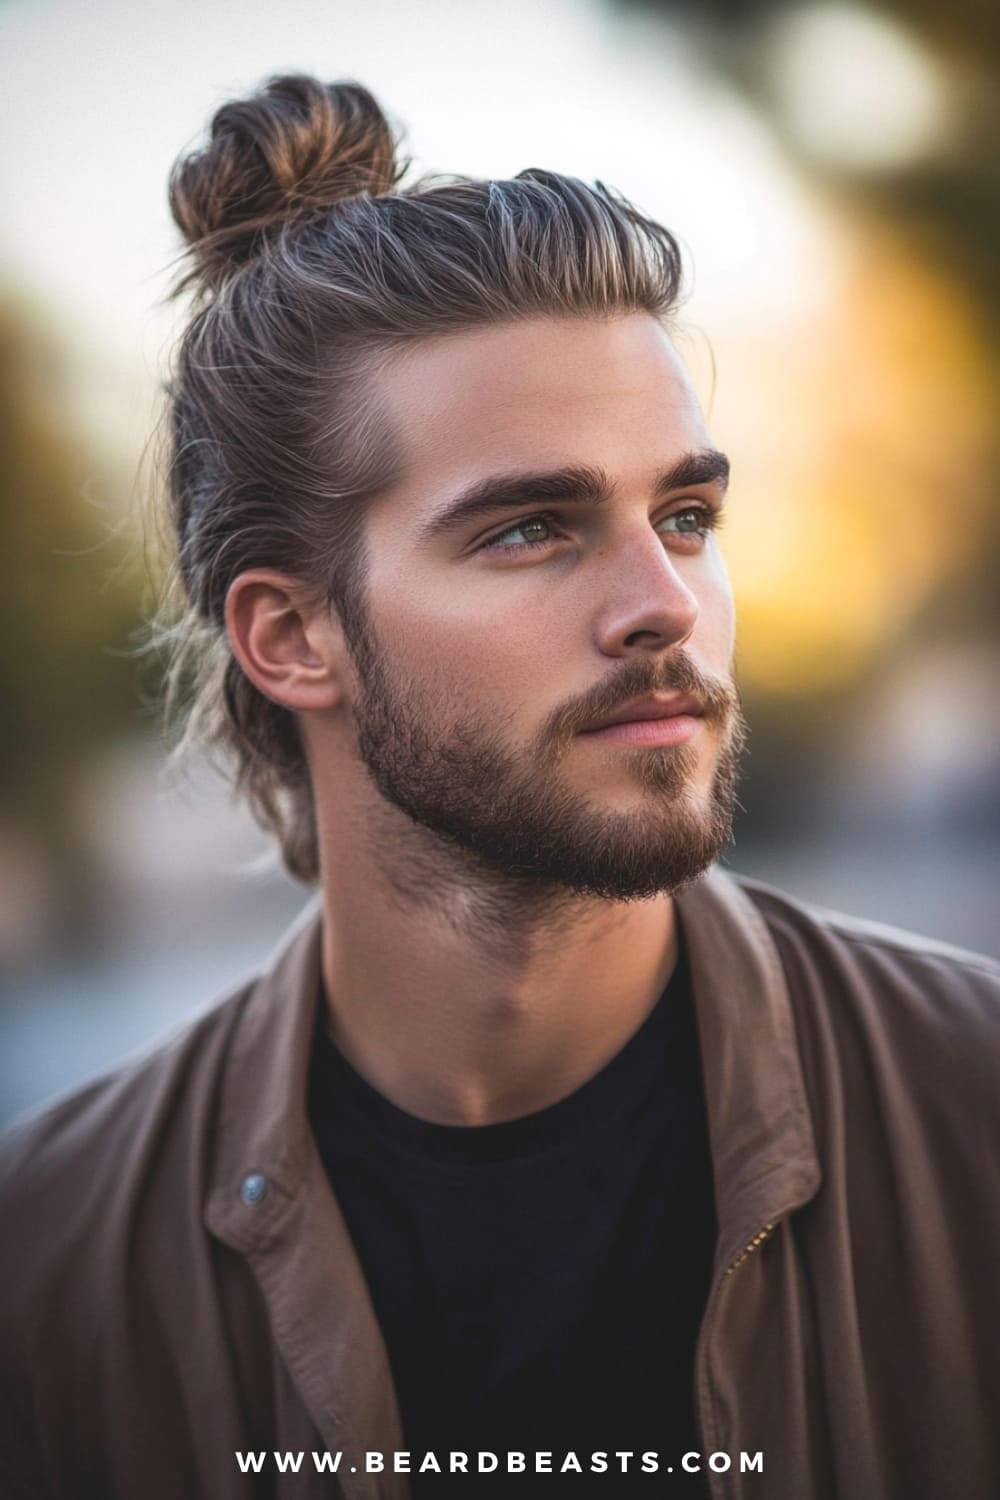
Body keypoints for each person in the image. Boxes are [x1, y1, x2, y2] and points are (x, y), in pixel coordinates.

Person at [2, 73, 998, 1500]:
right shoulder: (50, 1265)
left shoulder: (972, 1117)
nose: (665, 603)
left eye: (688, 516)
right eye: (532, 529)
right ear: (294, 635)